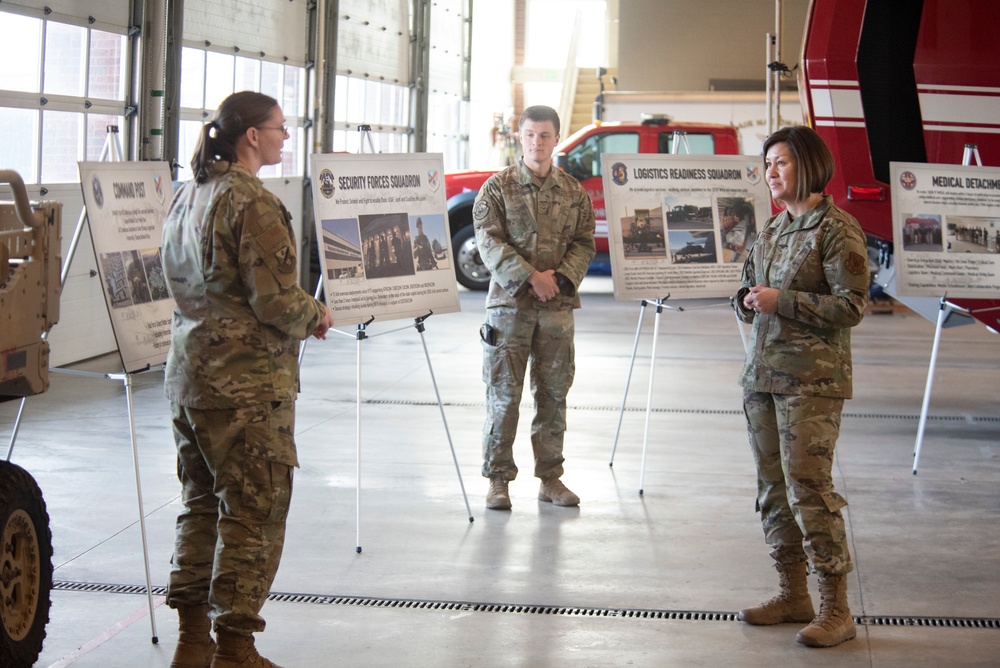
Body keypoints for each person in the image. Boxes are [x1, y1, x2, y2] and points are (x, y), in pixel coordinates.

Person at [161, 91, 334, 668]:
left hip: (190, 380)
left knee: (201, 505)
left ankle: (192, 641)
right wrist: (317, 314)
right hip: (247, 390)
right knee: (252, 515)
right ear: (251, 136)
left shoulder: (187, 197)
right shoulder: (252, 204)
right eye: (279, 129)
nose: (286, 137)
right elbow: (275, 300)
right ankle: (235, 649)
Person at [734, 126, 869, 648]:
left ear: (809, 166)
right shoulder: (771, 230)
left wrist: (781, 301)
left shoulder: (837, 230)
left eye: (782, 163)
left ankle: (837, 607)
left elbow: (851, 307)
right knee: (771, 491)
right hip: (762, 379)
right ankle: (793, 593)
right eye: (768, 164)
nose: (772, 172)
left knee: (809, 490)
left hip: (811, 382)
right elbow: (749, 288)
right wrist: (747, 299)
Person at [472, 105, 596, 510]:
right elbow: (489, 241)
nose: (536, 143)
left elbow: (584, 241)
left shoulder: (574, 193)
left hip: (556, 310)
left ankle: (550, 479)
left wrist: (558, 280)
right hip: (509, 310)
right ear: (519, 137)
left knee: (554, 395)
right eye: (529, 134)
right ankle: (498, 480)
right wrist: (530, 278)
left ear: (556, 138)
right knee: (504, 396)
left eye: (544, 135)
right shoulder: (497, 188)